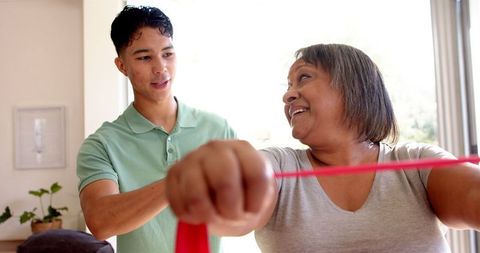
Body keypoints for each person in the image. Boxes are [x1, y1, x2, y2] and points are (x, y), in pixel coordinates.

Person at [166, 44, 480, 252]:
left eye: (303, 78)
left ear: (354, 88)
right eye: (288, 87)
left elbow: (472, 196)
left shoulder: (418, 163)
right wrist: (228, 174)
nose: (288, 96)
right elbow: (246, 196)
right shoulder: (281, 164)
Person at [76, 5, 236, 253]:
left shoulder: (217, 129)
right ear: (122, 66)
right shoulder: (101, 145)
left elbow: (242, 212)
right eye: (144, 57)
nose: (160, 67)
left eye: (168, 54)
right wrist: (179, 181)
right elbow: (100, 222)